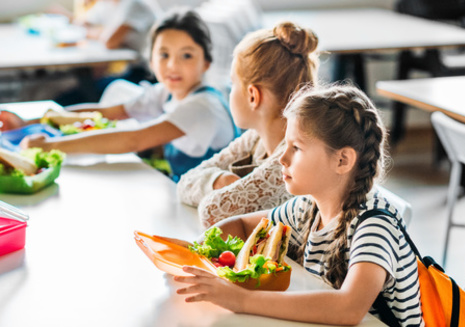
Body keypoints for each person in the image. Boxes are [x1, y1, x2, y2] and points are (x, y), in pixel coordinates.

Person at [174, 84, 423, 326]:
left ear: (342, 160)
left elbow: (349, 308)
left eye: (297, 148)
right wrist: (195, 253)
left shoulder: (375, 225)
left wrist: (242, 300)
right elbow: (240, 225)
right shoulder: (306, 208)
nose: (282, 158)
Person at [0, 8, 236, 182]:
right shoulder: (165, 92)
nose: (173, 65)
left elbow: (133, 139)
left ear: (206, 62)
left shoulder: (203, 105)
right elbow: (107, 113)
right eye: (164, 55)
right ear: (151, 60)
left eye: (187, 56)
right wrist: (28, 122)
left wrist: (51, 145)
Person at [177, 21, 319, 227]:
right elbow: (185, 182)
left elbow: (212, 212)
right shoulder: (255, 137)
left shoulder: (294, 155)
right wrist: (221, 181)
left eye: (232, 83)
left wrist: (220, 184)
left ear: (253, 95)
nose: (229, 91)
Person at [54, 0, 161, 105]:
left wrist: (99, 32)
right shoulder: (105, 4)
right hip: (134, 69)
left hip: (149, 74)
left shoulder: (134, 3)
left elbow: (109, 41)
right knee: (72, 95)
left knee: (79, 96)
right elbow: (81, 25)